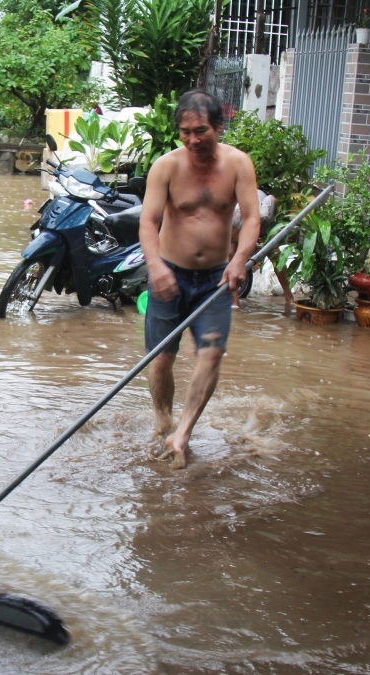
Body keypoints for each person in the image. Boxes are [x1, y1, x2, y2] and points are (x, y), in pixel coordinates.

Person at [138, 90, 260, 470]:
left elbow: (253, 218)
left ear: (219, 127)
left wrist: (240, 260)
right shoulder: (166, 167)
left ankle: (184, 433)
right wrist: (156, 266)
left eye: (201, 130)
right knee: (160, 361)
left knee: (211, 353)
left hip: (216, 281)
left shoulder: (238, 164)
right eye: (185, 132)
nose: (193, 139)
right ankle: (163, 421)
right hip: (168, 277)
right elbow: (148, 222)